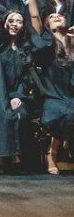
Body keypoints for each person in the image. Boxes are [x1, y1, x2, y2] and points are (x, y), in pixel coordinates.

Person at [0, 0, 48, 173]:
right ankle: (0, 158)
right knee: (1, 115)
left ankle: (15, 156)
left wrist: (18, 96)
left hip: (17, 95)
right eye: (11, 20)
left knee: (20, 114)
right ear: (6, 23)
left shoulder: (24, 51)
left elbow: (26, 80)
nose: (15, 24)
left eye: (19, 21)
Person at [39, 11, 74, 174]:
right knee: (62, 113)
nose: (56, 17)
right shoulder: (46, 45)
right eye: (51, 17)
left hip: (71, 92)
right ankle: (52, 154)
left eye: (60, 15)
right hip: (53, 93)